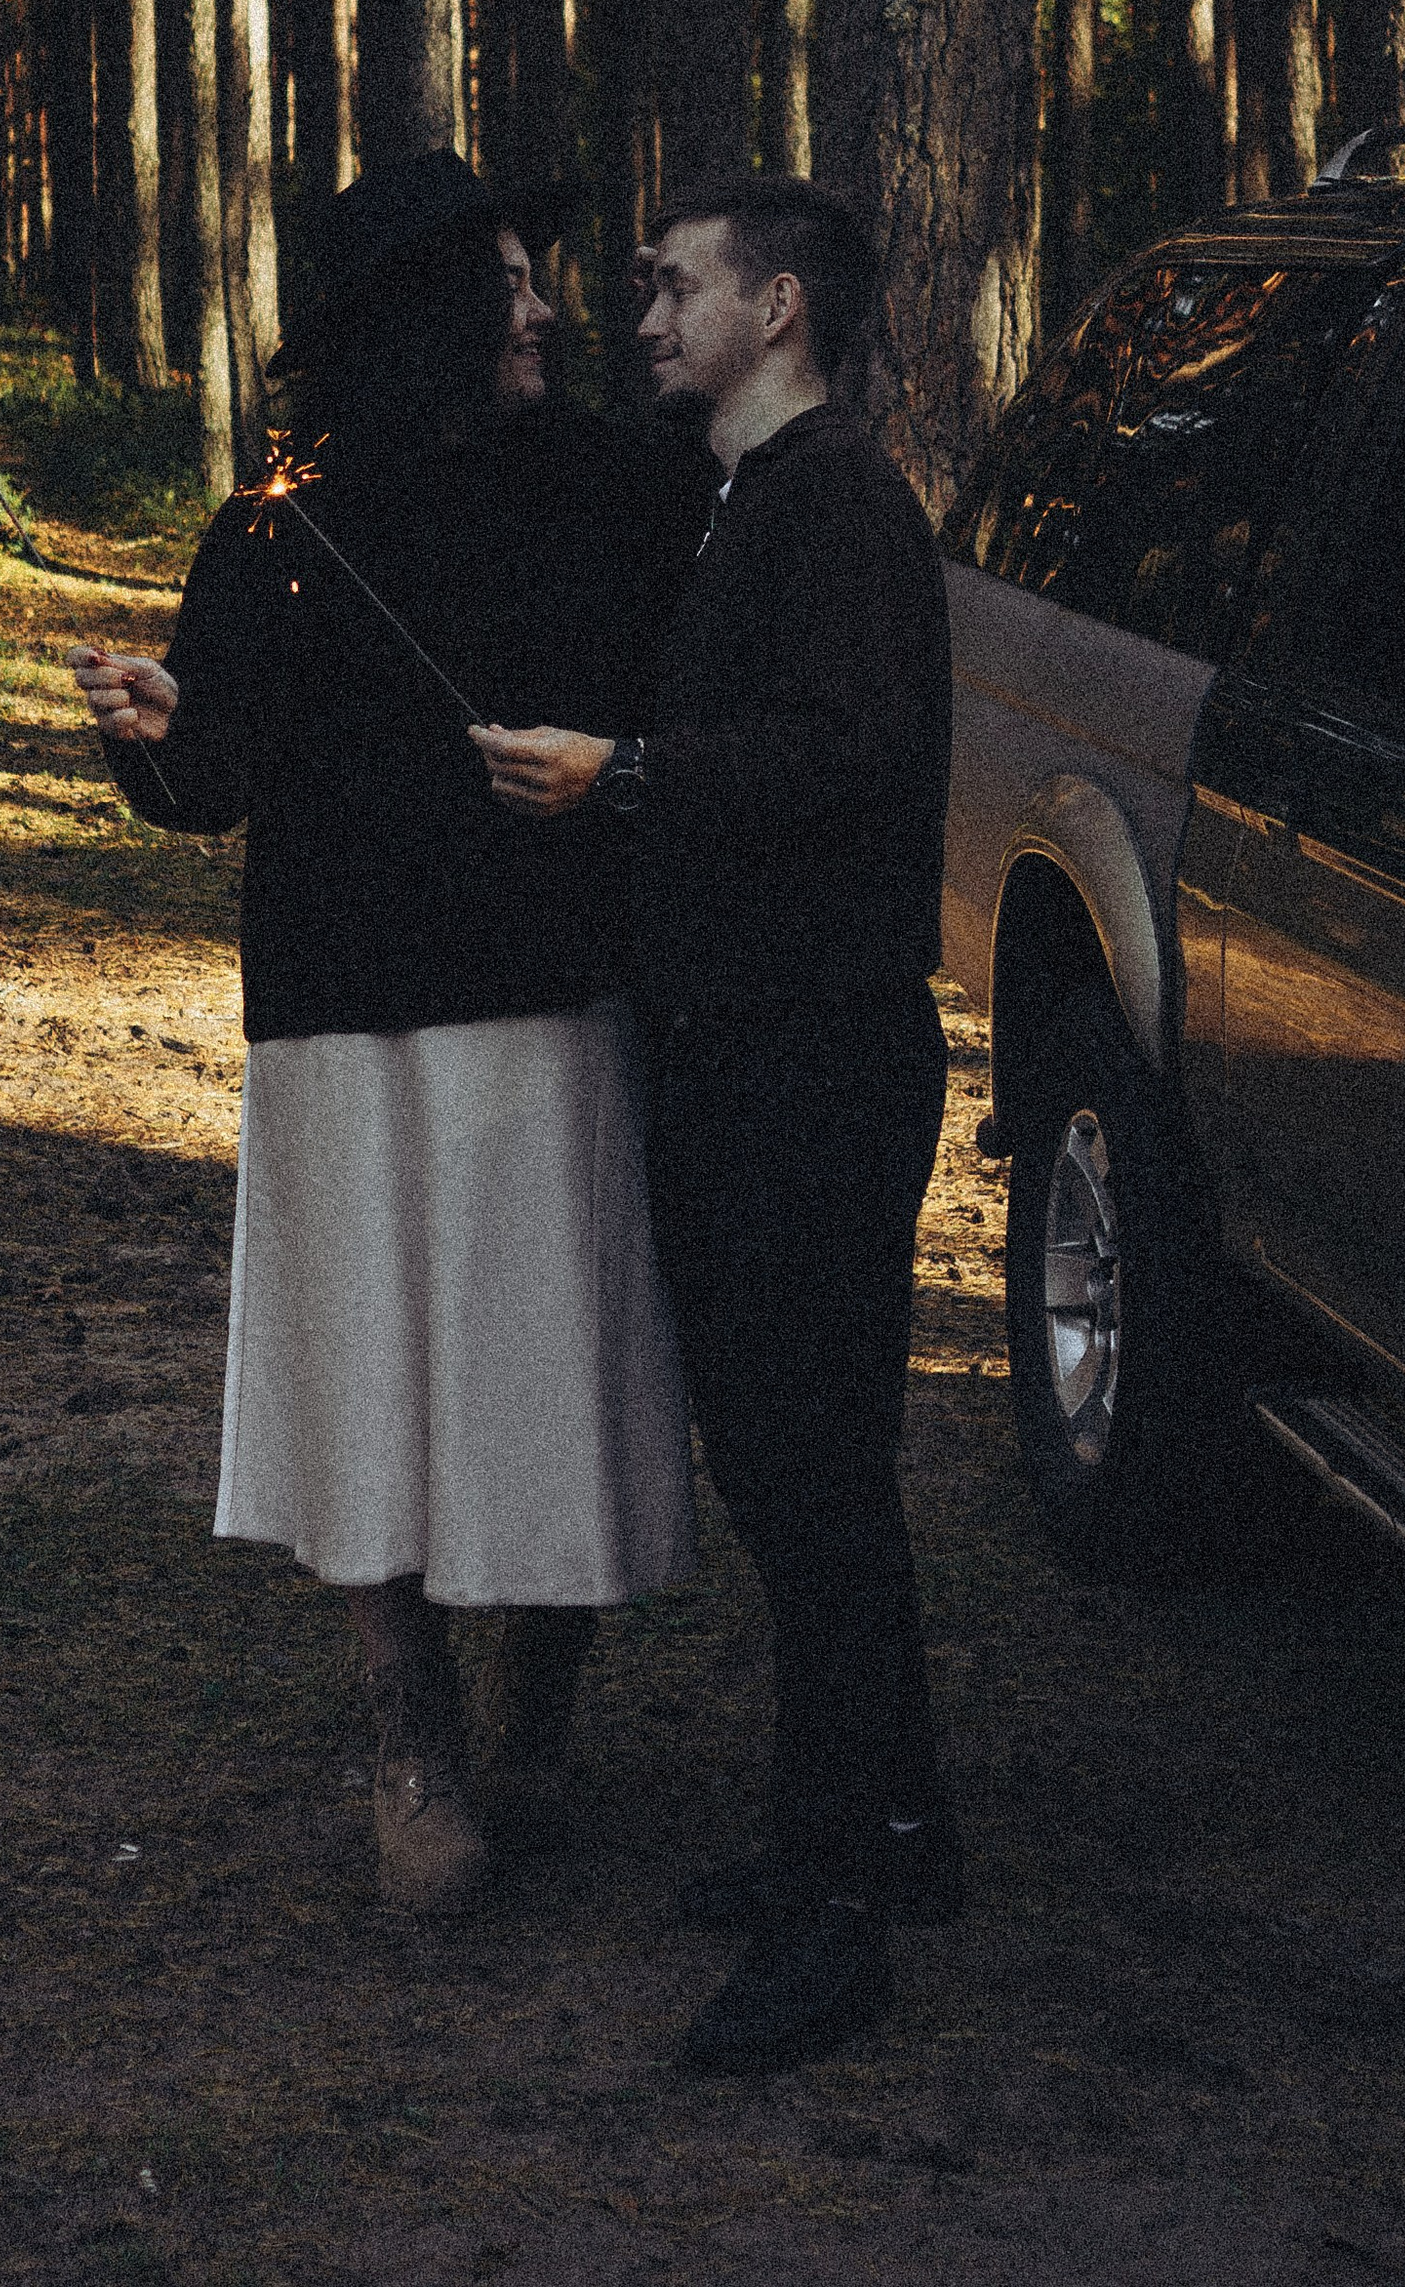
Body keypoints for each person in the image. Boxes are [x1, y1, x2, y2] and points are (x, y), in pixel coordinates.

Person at [67, 152, 704, 1918]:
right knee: (373, 1375)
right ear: (419, 310)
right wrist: (150, 726)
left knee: (541, 1362)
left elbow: (676, 720)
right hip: (343, 1006)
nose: (545, 307)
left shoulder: (611, 486)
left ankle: (538, 1724)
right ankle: (410, 1742)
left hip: (546, 997)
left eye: (539, 273)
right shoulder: (278, 523)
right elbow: (216, 780)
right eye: (504, 280)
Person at [472, 177, 956, 2076]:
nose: (642, 315)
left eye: (675, 288)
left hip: (810, 1063)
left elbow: (853, 751)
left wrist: (628, 777)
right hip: (758, 1048)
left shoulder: (838, 502)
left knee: (809, 1483)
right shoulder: (757, 499)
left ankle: (835, 1923)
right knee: (814, 1472)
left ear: (781, 305)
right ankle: (895, 1831)